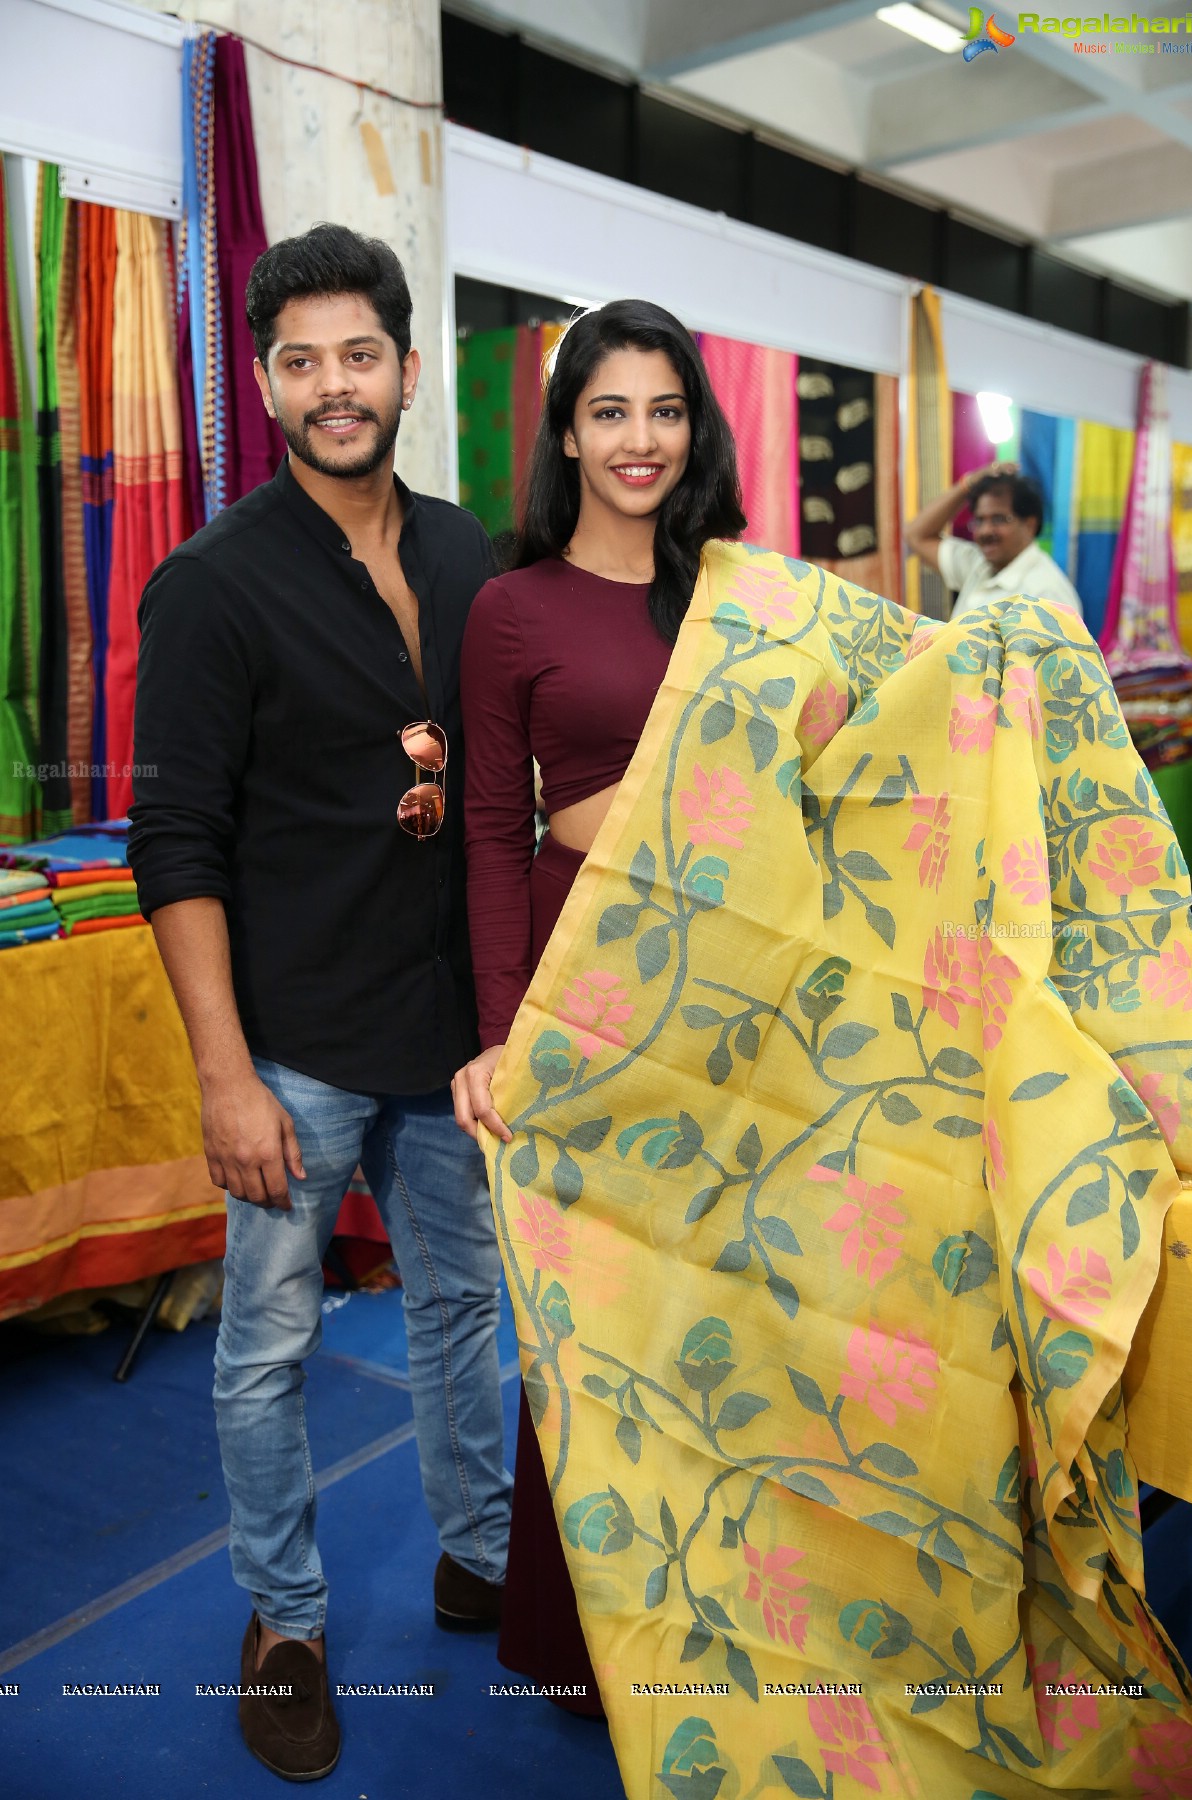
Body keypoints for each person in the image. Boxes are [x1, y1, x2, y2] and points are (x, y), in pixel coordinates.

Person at [127, 223, 511, 1783]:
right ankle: (283, 1622)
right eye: (301, 362)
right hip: (293, 1043)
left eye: (361, 355)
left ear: (408, 370)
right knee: (268, 1346)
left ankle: (480, 1555)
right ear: (269, 386)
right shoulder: (212, 585)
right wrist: (227, 1076)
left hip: (449, 1030)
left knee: (461, 1311)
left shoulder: (470, 551)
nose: (334, 386)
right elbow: (176, 843)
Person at [451, 300, 746, 1714]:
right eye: (611, 410)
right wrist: (506, 1036)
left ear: (697, 428)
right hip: (597, 1000)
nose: (640, 440)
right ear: (566, 431)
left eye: (665, 410)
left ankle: (732, 1614)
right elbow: (494, 837)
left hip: (741, 1005)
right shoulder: (513, 610)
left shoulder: (742, 593)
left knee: (735, 1317)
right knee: (594, 1326)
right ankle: (581, 1651)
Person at [904, 459, 1083, 619]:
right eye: (979, 520)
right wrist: (969, 483)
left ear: (1029, 525)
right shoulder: (977, 564)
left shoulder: (1046, 592)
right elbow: (916, 535)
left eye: (998, 519)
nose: (985, 531)